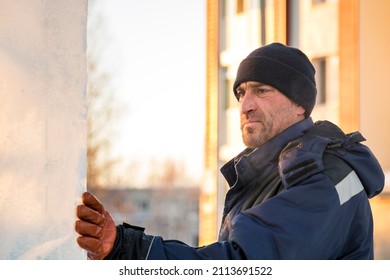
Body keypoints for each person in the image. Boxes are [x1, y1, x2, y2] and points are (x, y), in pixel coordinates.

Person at [75, 42, 384, 260]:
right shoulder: (268, 176)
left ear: (300, 103)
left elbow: (243, 264)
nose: (245, 105)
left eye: (261, 90)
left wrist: (131, 249)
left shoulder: (329, 178)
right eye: (240, 92)